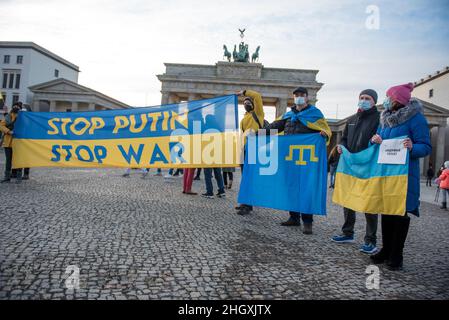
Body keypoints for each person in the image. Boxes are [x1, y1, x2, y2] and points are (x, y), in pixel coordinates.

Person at [370, 83, 431, 271]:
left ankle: (397, 254)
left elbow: (425, 146)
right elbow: (378, 143)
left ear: (397, 99)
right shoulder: (385, 119)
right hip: (386, 173)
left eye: (388, 97)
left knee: (400, 213)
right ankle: (386, 249)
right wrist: (375, 140)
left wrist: (413, 147)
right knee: (387, 211)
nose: (386, 100)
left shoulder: (416, 118)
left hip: (404, 175)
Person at [266, 87, 331, 234]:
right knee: (291, 187)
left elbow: (326, 130)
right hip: (289, 158)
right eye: (296, 95)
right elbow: (274, 127)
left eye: (302, 95)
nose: (299, 97)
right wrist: (258, 133)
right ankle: (293, 217)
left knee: (305, 189)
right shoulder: (288, 115)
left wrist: (324, 134)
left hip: (306, 159)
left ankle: (307, 221)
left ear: (307, 97)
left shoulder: (315, 114)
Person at [331, 89, 380, 254]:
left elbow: (381, 137)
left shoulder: (378, 118)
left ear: (374, 101)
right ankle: (347, 233)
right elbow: (344, 138)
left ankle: (370, 240)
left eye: (367, 98)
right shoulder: (351, 119)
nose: (363, 100)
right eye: (361, 98)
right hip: (350, 164)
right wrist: (341, 146)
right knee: (348, 199)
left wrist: (377, 140)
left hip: (369, 166)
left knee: (369, 202)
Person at [235, 89, 265, 215]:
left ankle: (247, 204)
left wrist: (244, 93)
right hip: (244, 148)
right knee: (245, 177)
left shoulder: (258, 114)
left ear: (253, 104)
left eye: (248, 102)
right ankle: (245, 202)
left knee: (250, 177)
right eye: (244, 103)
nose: (246, 104)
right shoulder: (244, 118)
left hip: (254, 147)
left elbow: (257, 95)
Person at [0, 102, 22, 183]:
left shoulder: (22, 117)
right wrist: (8, 131)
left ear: (20, 108)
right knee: (8, 160)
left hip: (19, 142)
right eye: (14, 106)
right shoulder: (8, 116)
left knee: (19, 159)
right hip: (8, 142)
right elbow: (1, 126)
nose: (15, 107)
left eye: (17, 106)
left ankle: (19, 177)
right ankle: (7, 177)